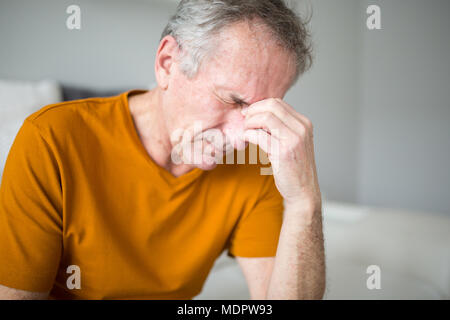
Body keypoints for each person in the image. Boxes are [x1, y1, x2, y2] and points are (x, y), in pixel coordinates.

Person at [0, 0, 325, 299]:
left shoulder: (255, 164)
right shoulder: (51, 138)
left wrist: (304, 201)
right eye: (233, 100)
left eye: (258, 111)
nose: (242, 139)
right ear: (168, 63)